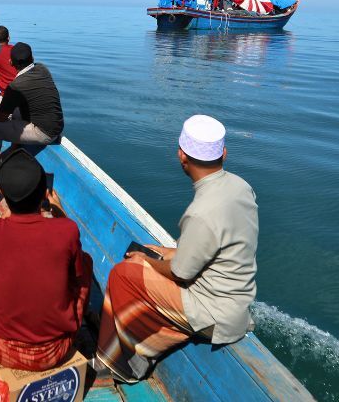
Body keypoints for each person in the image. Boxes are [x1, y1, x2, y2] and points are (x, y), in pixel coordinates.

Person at [94, 115, 258, 383]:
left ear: (182, 156)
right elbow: (210, 248)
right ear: (224, 153)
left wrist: (148, 263)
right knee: (148, 250)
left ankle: (119, 364)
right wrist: (155, 254)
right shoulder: (241, 187)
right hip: (236, 302)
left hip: (213, 314)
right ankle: (142, 339)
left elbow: (180, 273)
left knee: (123, 274)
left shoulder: (201, 212)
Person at [0, 150, 92, 371]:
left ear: (2, 192)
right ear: (45, 193)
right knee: (85, 262)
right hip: (56, 349)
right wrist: (59, 211)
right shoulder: (67, 229)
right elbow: (70, 247)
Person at [0, 43, 64, 177]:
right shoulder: (42, 69)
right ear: (32, 58)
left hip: (44, 133)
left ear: (11, 62)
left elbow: (1, 117)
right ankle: (14, 150)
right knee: (16, 110)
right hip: (57, 125)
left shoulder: (16, 86)